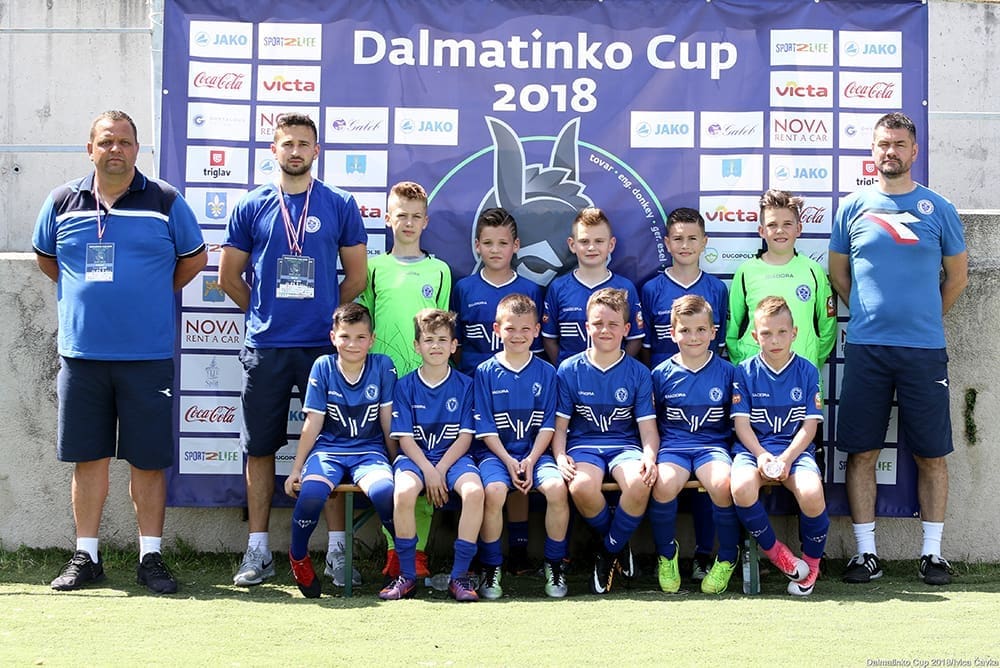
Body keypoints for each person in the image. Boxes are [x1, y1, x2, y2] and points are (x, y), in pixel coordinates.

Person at [33, 110, 207, 594]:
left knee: (147, 461)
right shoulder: (61, 201)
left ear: (137, 149)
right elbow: (48, 259)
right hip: (82, 356)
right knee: (87, 459)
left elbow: (194, 259)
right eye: (106, 141)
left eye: (125, 142)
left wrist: (149, 294)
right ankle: (86, 556)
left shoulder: (165, 200)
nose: (116, 150)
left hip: (147, 356)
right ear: (89, 149)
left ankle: (150, 557)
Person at [219, 112, 368, 589]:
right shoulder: (251, 204)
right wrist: (265, 313)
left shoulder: (339, 203)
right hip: (266, 346)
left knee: (333, 444)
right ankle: (258, 550)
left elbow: (357, 277)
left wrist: (326, 316)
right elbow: (229, 277)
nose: (296, 151)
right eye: (288, 143)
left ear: (317, 150)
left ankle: (338, 552)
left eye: (304, 143)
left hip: (324, 349)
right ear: (274, 150)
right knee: (260, 448)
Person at [829, 111, 968, 586]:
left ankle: (932, 554)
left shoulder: (938, 208)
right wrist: (870, 315)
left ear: (914, 151)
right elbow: (838, 274)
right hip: (867, 348)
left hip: (924, 351)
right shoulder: (852, 207)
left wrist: (924, 318)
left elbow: (958, 277)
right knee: (861, 452)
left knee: (931, 454)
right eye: (883, 144)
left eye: (899, 144)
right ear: (873, 151)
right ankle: (865, 553)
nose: (891, 151)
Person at [358, 181, 450, 579]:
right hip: (384, 384)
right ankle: (396, 551)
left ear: (425, 221)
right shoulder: (374, 268)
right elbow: (363, 325)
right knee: (393, 468)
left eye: (416, 216)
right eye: (401, 215)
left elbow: (440, 330)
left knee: (424, 463)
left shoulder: (439, 271)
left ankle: (420, 552)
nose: (408, 223)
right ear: (387, 218)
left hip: (423, 384)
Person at [282, 303, 397, 598]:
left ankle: (401, 559)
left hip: (369, 451)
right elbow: (313, 422)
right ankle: (299, 557)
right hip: (329, 451)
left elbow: (387, 420)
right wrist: (296, 469)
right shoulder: (323, 366)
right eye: (345, 336)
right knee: (311, 493)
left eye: (360, 337)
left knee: (385, 491)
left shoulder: (383, 366)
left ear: (372, 339)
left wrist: (396, 461)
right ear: (333, 337)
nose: (352, 344)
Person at [451, 207, 543, 575]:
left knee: (517, 460)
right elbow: (456, 344)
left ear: (515, 246)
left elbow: (538, 349)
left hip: (519, 393)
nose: (495, 250)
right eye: (488, 243)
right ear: (477, 246)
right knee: (479, 471)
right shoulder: (464, 288)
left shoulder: (531, 290)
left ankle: (518, 550)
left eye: (502, 243)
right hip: (475, 391)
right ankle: (475, 550)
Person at [640, 206, 728, 579]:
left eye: (693, 238)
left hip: (705, 393)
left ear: (705, 242)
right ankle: (666, 555)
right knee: (667, 476)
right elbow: (645, 349)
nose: (685, 245)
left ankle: (706, 554)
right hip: (666, 395)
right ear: (667, 243)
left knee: (709, 482)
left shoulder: (717, 289)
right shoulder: (651, 289)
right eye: (678, 238)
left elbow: (719, 346)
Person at [552, 288, 658, 595]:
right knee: (581, 487)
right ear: (587, 326)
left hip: (624, 446)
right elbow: (560, 426)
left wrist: (649, 456)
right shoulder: (569, 369)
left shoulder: (638, 373)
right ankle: (619, 541)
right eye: (598, 323)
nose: (605, 330)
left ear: (626, 329)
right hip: (584, 446)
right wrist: (559, 455)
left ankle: (608, 551)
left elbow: (648, 429)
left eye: (613, 324)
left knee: (640, 482)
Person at [380, 309, 485, 602]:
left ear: (454, 346)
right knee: (403, 492)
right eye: (428, 340)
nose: (435, 346)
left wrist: (440, 470)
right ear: (417, 346)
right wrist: (429, 470)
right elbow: (405, 439)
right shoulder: (404, 386)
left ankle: (460, 577)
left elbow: (465, 437)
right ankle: (407, 575)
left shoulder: (466, 385)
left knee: (475, 492)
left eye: (442, 340)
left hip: (454, 458)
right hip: (416, 458)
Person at [730, 297, 829, 596]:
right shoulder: (744, 371)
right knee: (741, 488)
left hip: (794, 452)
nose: (774, 340)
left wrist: (786, 458)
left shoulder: (807, 371)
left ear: (794, 333)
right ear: (754, 336)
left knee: (812, 492)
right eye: (766, 333)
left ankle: (810, 566)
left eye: (782, 332)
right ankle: (777, 553)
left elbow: (809, 426)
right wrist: (761, 455)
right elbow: (742, 425)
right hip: (753, 451)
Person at [473, 294, 570, 599]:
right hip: (496, 455)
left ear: (537, 331)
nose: (518, 335)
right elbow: (485, 428)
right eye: (510, 328)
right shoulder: (485, 372)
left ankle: (555, 565)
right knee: (494, 491)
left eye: (525, 329)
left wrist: (530, 459)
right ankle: (491, 567)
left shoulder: (547, 372)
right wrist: (508, 460)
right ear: (496, 329)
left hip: (535, 454)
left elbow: (548, 426)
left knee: (556, 488)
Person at [648, 295, 740, 595]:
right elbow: (652, 422)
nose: (693, 337)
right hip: (674, 447)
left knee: (722, 483)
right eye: (685, 330)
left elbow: (736, 420)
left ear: (713, 332)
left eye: (701, 330)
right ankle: (666, 554)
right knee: (663, 484)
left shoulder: (728, 372)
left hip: (712, 447)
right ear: (672, 333)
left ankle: (727, 556)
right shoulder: (660, 374)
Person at [726, 189, 836, 372]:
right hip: (756, 376)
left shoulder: (813, 270)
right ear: (762, 231)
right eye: (772, 225)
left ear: (798, 229)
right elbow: (732, 328)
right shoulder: (746, 271)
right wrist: (743, 361)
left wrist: (811, 359)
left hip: (802, 374)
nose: (780, 230)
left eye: (787, 224)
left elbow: (828, 326)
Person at [542, 207, 644, 366]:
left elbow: (635, 339)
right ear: (572, 245)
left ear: (611, 244)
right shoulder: (558, 288)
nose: (591, 247)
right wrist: (567, 371)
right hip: (572, 379)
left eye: (599, 241)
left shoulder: (625, 288)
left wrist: (617, 369)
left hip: (613, 377)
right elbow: (549, 339)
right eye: (584, 241)